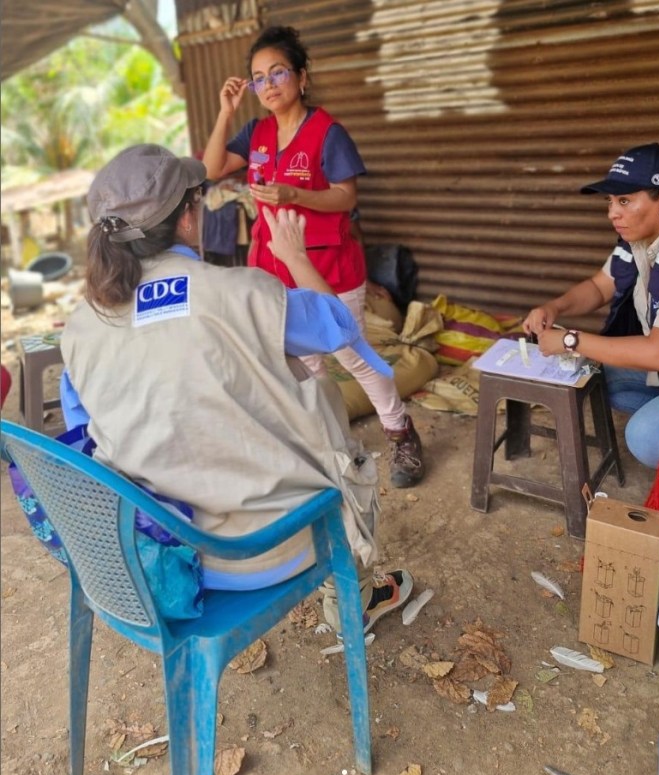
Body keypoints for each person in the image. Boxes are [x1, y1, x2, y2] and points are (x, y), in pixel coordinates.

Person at [59, 143, 413, 634]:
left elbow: (83, 429)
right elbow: (340, 327)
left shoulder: (81, 327)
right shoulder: (244, 292)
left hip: (156, 551)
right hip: (268, 549)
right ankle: (349, 594)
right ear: (188, 218)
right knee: (334, 436)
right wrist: (295, 257)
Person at [202, 25, 425, 489]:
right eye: (258, 78)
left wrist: (294, 194)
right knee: (304, 365)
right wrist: (224, 113)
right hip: (273, 270)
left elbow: (345, 198)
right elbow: (209, 170)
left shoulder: (329, 133)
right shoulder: (256, 131)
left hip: (331, 270)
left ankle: (402, 432)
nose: (268, 85)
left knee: (356, 356)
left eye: (278, 72)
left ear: (302, 76)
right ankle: (326, 449)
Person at [523, 143, 659, 469]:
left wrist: (570, 340)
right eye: (611, 201)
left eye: (625, 200)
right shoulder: (639, 236)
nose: (612, 212)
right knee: (599, 376)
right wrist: (554, 307)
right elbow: (600, 286)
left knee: (644, 437)